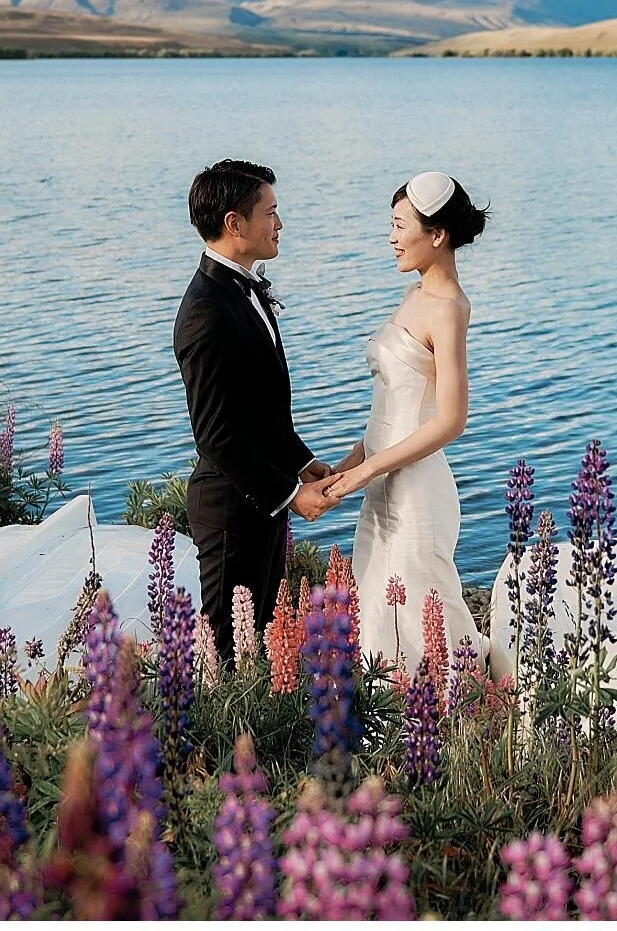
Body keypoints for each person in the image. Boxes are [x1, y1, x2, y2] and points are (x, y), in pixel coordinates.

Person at [322, 171, 490, 675]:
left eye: (400, 226)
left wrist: (369, 470)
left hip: (416, 488)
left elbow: (452, 419)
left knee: (421, 614)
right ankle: (395, 716)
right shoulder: (415, 293)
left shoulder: (448, 308)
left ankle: (457, 710)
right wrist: (349, 464)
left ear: (436, 235)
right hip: (381, 481)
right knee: (377, 606)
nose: (391, 237)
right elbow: (392, 408)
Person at [172, 159, 337, 664]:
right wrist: (290, 494)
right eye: (271, 213)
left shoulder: (241, 289)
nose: (280, 224)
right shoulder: (205, 311)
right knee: (227, 657)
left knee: (262, 645)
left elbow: (259, 408)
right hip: (229, 507)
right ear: (235, 224)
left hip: (258, 500)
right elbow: (216, 435)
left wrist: (300, 461)